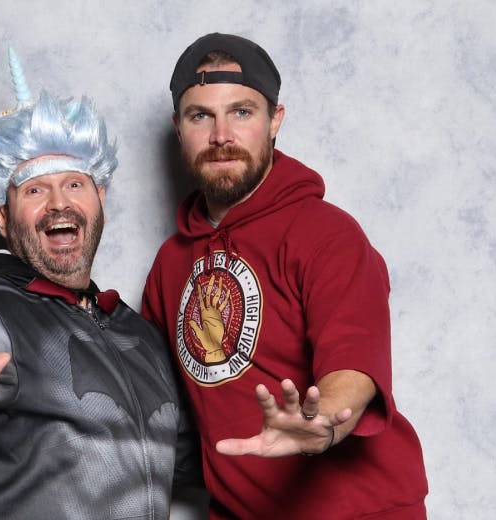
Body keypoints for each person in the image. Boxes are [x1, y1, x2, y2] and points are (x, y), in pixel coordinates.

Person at [0, 49, 199, 519]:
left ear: (99, 199)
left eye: (74, 184)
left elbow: (183, 461)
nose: (59, 203)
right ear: (2, 217)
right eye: (34, 190)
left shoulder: (139, 335)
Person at [141, 32, 429, 518]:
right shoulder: (170, 265)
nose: (221, 136)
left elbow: (355, 365)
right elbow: (146, 390)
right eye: (200, 116)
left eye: (242, 112)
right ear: (178, 127)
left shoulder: (326, 234)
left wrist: (325, 421)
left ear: (275, 120)